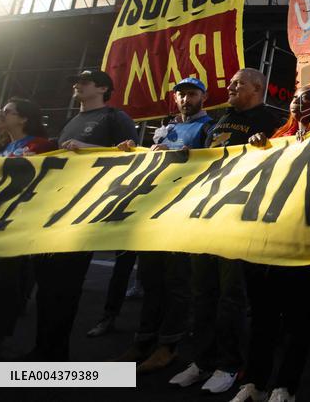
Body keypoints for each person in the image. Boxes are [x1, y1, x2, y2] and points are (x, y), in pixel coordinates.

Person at [170, 68, 283, 395]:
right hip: (205, 216)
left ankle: (229, 364)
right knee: (202, 292)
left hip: (238, 219)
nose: (231, 88)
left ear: (257, 88)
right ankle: (202, 360)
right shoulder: (219, 120)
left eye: (239, 84)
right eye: (231, 83)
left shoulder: (269, 121)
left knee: (231, 296)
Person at [232, 85, 310, 402]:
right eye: (294, 97)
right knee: (263, 316)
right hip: (268, 241)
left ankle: (286, 386)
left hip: (304, 243)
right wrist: (257, 148)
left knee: (299, 319)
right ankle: (254, 382)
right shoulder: (277, 136)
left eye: (306, 97)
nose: (296, 101)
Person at [31, 70, 138, 361]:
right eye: (75, 80)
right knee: (46, 286)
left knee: (65, 288)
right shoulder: (71, 121)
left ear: (102, 88)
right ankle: (42, 349)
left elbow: (132, 158)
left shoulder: (116, 118)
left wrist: (88, 149)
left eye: (85, 81)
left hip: (85, 214)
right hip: (56, 211)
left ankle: (55, 356)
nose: (77, 84)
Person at [115, 77, 215, 373]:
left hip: (183, 214)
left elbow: (214, 164)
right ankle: (144, 340)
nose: (186, 99)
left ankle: (168, 346)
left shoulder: (208, 127)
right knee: (151, 280)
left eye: (192, 94)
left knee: (177, 283)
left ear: (203, 97)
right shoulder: (167, 128)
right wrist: (134, 151)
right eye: (181, 94)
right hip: (154, 212)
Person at [0, 98, 56, 354]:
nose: (1, 114)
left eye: (8, 111)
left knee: (2, 281)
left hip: (16, 225)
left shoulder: (42, 146)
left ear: (24, 118)